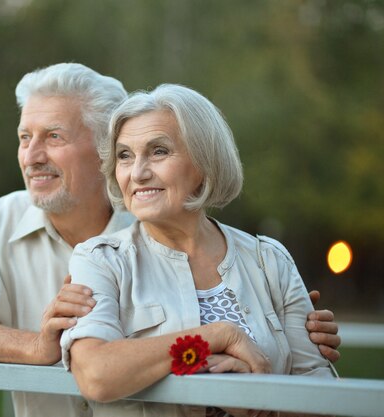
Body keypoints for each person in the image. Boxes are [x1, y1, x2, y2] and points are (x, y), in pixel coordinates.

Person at [0, 64, 340, 417]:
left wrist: (271, 369)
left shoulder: (263, 257)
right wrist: (37, 345)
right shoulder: (94, 253)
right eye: (23, 137)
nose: (31, 156)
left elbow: (318, 391)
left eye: (53, 136)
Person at [61, 84, 335, 417]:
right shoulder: (101, 260)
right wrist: (214, 337)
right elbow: (96, 375)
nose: (138, 173)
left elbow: (322, 395)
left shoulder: (269, 260)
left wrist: (257, 406)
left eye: (159, 151)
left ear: (204, 162)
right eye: (124, 155)